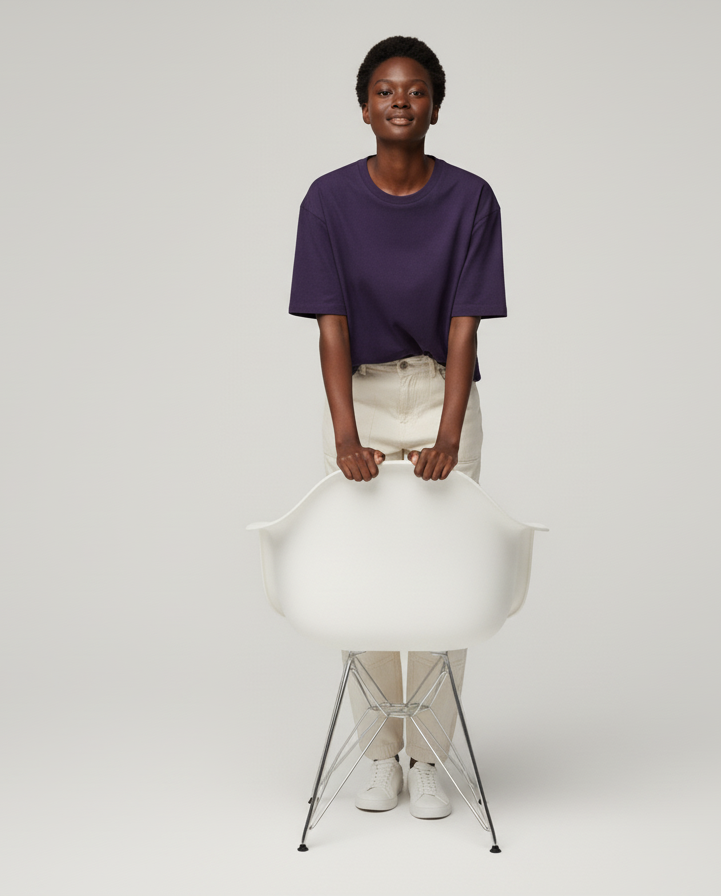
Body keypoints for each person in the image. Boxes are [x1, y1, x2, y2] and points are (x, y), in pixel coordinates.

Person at [288, 35, 507, 820]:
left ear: (435, 108)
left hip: (444, 390)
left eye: (415, 91)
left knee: (448, 575)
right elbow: (331, 326)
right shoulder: (328, 200)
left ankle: (431, 756)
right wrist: (346, 437)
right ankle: (380, 754)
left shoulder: (472, 198)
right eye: (385, 91)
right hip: (363, 395)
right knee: (365, 574)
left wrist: (448, 431)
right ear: (364, 108)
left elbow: (465, 324)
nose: (400, 101)